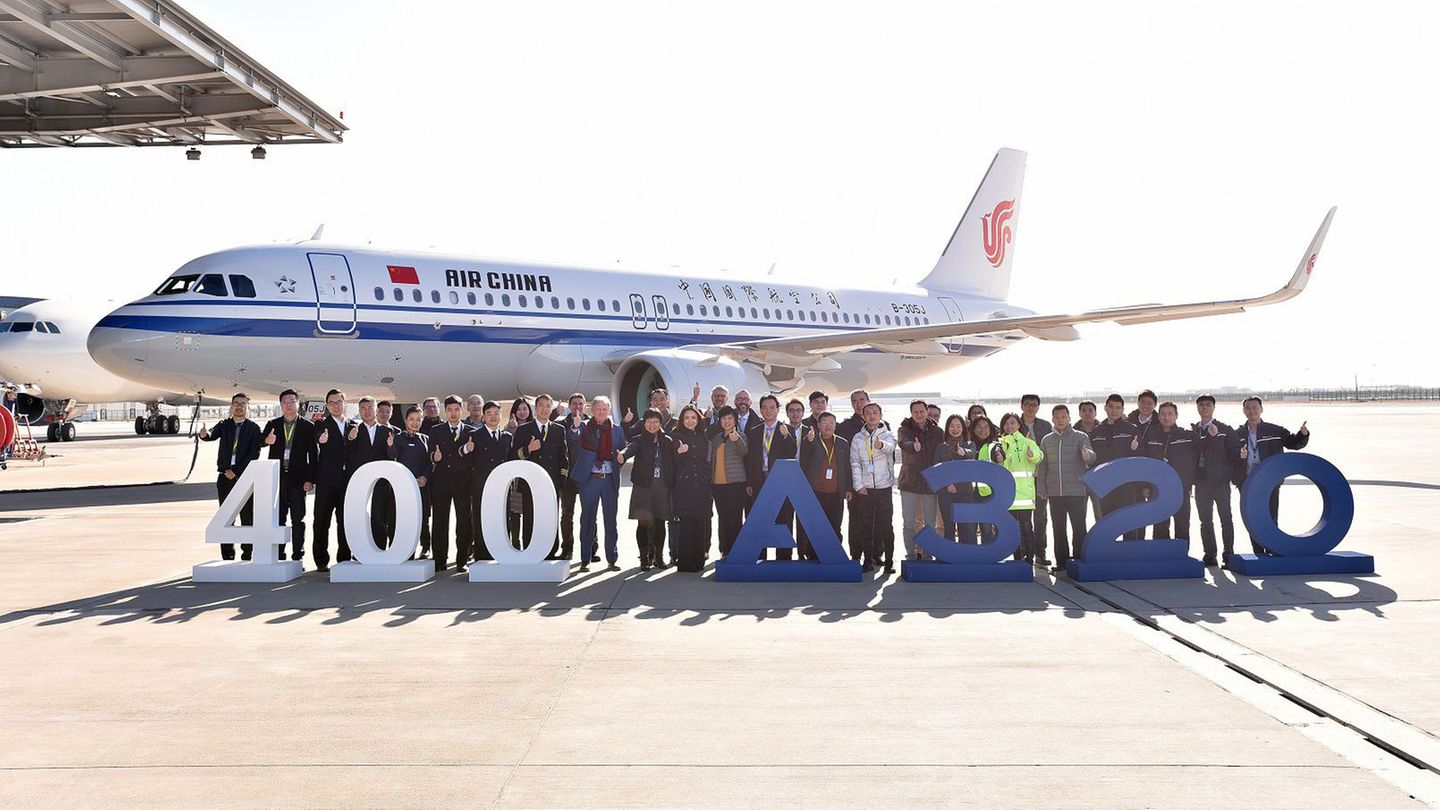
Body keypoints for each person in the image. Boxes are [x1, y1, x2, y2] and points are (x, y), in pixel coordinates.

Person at [1231, 396, 1310, 555]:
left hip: (1270, 480)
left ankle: (1272, 548)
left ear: (1261, 409)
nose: (1252, 410)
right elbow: (1230, 456)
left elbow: (1294, 443)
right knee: (1252, 517)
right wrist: (1239, 456)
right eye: (1248, 408)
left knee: (1271, 516)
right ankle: (1259, 552)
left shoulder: (1275, 430)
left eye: (1255, 407)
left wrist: (1303, 434)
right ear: (1243, 411)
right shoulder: (1237, 433)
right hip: (1247, 481)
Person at [198, 393, 263, 561]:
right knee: (226, 518)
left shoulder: (253, 428)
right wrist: (204, 435)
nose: (239, 406)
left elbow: (254, 454)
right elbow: (211, 434)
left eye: (243, 404)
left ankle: (247, 554)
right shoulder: (224, 425)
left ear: (248, 407)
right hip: (224, 477)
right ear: (231, 406)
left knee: (247, 517)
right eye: (236, 403)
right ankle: (227, 556)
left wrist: (237, 471)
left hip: (244, 477)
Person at [1035, 405, 1096, 573]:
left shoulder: (1080, 436)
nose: (1060, 420)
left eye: (1064, 417)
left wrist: (1087, 456)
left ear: (1069, 418)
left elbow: (1091, 456)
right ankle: (1061, 562)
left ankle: (1078, 559)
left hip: (1076, 491)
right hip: (1055, 492)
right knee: (1058, 528)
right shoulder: (1047, 440)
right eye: (1057, 417)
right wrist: (1042, 486)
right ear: (1053, 419)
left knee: (1079, 527)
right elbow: (1043, 466)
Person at [570, 395, 627, 572]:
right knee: (587, 519)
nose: (601, 412)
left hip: (609, 480)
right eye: (598, 409)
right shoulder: (585, 427)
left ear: (609, 410)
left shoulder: (616, 429)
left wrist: (622, 455)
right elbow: (573, 439)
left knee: (610, 520)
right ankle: (585, 559)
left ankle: (612, 558)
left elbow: (623, 449)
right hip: (590, 480)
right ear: (592, 411)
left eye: (604, 409)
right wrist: (575, 427)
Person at [261, 389, 316, 564]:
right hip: (278, 479)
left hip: (299, 480)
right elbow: (260, 442)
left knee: (298, 519)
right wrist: (265, 441)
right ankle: (279, 554)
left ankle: (297, 555)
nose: (289, 404)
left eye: (292, 401)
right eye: (285, 402)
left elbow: (313, 455)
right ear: (281, 405)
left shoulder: (308, 426)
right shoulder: (273, 424)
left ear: (298, 404)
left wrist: (310, 479)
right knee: (278, 519)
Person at [513, 393, 569, 559]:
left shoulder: (559, 430)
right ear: (535, 408)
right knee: (530, 516)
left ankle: (551, 550)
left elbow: (563, 457)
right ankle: (529, 549)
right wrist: (529, 449)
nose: (544, 409)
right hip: (529, 482)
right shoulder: (523, 430)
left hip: (551, 482)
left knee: (549, 517)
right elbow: (514, 456)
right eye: (541, 406)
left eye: (547, 406)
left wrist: (561, 480)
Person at [986, 414, 1046, 565]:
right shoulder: (999, 444)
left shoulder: (1028, 442)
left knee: (1027, 528)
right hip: (1008, 495)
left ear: (1019, 425)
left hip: (1025, 495)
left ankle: (1029, 559)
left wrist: (1032, 456)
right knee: (1012, 530)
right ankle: (1017, 558)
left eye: (1013, 423)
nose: (1009, 426)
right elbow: (994, 465)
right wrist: (998, 460)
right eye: (1006, 423)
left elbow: (1039, 457)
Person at [745, 394, 797, 560]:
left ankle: (784, 558)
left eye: (772, 407)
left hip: (780, 482)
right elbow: (750, 459)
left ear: (777, 409)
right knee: (760, 518)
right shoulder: (753, 432)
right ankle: (760, 557)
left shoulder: (787, 429)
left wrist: (785, 436)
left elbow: (792, 452)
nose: (768, 410)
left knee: (783, 518)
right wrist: (750, 482)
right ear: (760, 410)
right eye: (765, 407)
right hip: (759, 480)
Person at [426, 395, 475, 571]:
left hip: (463, 484)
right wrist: (434, 457)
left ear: (462, 410)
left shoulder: (471, 432)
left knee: (464, 523)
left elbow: (473, 459)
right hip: (441, 484)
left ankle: (462, 560)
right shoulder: (436, 430)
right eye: (449, 410)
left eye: (456, 409)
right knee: (439, 522)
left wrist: (467, 451)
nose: (453, 413)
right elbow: (431, 453)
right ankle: (439, 561)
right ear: (444, 411)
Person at [850, 402, 900, 574]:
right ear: (863, 416)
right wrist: (858, 485)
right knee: (866, 526)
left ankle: (888, 561)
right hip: (866, 489)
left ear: (880, 415)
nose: (871, 416)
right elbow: (855, 462)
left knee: (886, 526)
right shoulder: (858, 438)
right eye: (868, 413)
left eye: (875, 412)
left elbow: (891, 448)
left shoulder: (887, 434)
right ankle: (867, 560)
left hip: (884, 487)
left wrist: (881, 446)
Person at [625, 409, 676, 570]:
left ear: (660, 423)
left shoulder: (667, 440)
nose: (652, 425)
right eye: (649, 422)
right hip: (643, 486)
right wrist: (623, 455)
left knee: (660, 522)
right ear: (644, 423)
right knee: (644, 523)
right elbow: (630, 449)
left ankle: (658, 558)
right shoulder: (639, 440)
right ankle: (644, 559)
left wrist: (680, 452)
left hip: (661, 486)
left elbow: (675, 458)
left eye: (656, 422)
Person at [1192, 395, 1237, 567]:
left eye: (1208, 405)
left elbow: (1234, 452)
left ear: (1213, 407)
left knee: (1226, 519)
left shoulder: (1224, 429)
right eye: (1201, 405)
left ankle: (1229, 554)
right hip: (1201, 483)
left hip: (1220, 483)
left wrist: (1229, 475)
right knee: (1205, 520)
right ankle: (1210, 554)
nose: (1204, 408)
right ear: (1197, 408)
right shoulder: (1193, 430)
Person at [345, 396, 396, 547]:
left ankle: (380, 547)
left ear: (376, 410)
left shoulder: (387, 430)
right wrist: (350, 439)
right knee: (360, 515)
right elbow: (347, 453)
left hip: (381, 480)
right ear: (359, 411)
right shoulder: (353, 430)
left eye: (370, 408)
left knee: (379, 515)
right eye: (363, 408)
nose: (366, 411)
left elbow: (391, 455)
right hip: (360, 480)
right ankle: (360, 548)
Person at [897, 399, 944, 562]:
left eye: (921, 411)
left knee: (929, 523)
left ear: (926, 412)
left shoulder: (937, 431)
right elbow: (903, 442)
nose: (919, 414)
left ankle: (927, 554)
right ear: (911, 413)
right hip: (910, 482)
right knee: (909, 522)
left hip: (930, 482)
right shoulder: (904, 429)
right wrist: (913, 446)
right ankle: (910, 555)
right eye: (915, 412)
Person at [800, 411, 851, 559]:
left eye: (831, 422)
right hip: (816, 491)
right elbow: (804, 457)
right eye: (825, 422)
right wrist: (808, 441)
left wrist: (848, 488)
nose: (828, 425)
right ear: (818, 425)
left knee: (835, 525)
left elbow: (847, 467)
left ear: (835, 425)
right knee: (814, 525)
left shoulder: (842, 442)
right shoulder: (812, 440)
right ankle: (812, 555)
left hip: (836, 492)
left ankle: (834, 554)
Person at [1145, 402, 1197, 544]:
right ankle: (1161, 556)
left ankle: (1182, 556)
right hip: (1158, 488)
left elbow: (1201, 454)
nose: (1166, 417)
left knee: (1182, 524)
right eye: (1163, 414)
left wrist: (1190, 480)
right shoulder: (1151, 436)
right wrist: (1146, 486)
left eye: (1170, 414)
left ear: (1176, 416)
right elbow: (1145, 463)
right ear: (1158, 416)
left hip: (1181, 487)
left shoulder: (1188, 435)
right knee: (1160, 524)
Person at [311, 388, 352, 571]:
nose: (336, 406)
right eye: (331, 403)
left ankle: (344, 558)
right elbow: (317, 439)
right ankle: (321, 561)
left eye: (339, 402)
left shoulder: (353, 425)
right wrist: (321, 439)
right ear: (327, 405)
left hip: (346, 481)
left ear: (345, 403)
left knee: (345, 521)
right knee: (321, 521)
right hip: (327, 481)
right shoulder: (321, 424)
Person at [670, 405, 713, 571]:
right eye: (686, 418)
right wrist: (679, 452)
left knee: (700, 524)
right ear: (682, 420)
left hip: (701, 485)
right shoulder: (676, 436)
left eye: (693, 417)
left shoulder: (703, 437)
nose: (690, 421)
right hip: (685, 485)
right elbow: (673, 460)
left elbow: (707, 461)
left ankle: (698, 561)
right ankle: (686, 563)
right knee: (686, 525)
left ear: (698, 420)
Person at [1089, 394, 1139, 538]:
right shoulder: (1097, 431)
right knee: (1107, 520)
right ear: (1105, 408)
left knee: (1128, 520)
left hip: (1126, 484)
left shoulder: (1131, 429)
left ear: (1122, 409)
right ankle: (1109, 552)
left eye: (1118, 408)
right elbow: (1093, 459)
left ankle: (1129, 553)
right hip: (1106, 484)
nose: (1114, 410)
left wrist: (1136, 449)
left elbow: (1140, 457)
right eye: (1111, 407)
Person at [468, 400, 512, 564]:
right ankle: (482, 556)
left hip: (503, 487)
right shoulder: (475, 436)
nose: (493, 417)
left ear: (501, 415)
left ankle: (502, 554)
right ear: (484, 417)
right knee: (481, 521)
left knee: (502, 519)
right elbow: (467, 459)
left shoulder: (507, 437)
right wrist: (467, 450)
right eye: (489, 414)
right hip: (481, 486)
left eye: (496, 413)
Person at [388, 406, 433, 557]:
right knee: (403, 518)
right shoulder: (398, 437)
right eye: (411, 419)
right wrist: (390, 445)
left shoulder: (425, 439)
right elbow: (392, 456)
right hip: (403, 487)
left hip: (421, 485)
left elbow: (430, 463)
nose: (415, 422)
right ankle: (404, 550)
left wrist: (425, 477)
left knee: (423, 518)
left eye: (418, 419)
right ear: (406, 420)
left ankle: (425, 548)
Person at [708, 405, 749, 558]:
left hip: (735, 484)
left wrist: (737, 440)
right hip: (718, 485)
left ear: (735, 420)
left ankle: (736, 550)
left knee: (735, 518)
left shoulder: (741, 435)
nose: (727, 421)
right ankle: (724, 550)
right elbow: (711, 461)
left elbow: (744, 452)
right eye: (724, 418)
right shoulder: (716, 439)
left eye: (730, 418)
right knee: (723, 518)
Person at [1018, 394, 1053, 562]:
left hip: (1040, 478)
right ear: (1022, 406)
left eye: (1034, 404)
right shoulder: (1014, 424)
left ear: (1038, 407)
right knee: (1023, 519)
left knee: (1040, 517)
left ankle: (1040, 553)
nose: (1030, 407)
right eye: (1027, 404)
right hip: (1021, 481)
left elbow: (1049, 453)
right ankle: (1025, 552)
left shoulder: (1045, 425)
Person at [934, 414, 977, 544]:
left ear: (963, 428)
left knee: (966, 527)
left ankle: (965, 558)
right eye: (952, 426)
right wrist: (947, 484)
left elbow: (972, 455)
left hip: (965, 492)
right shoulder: (941, 447)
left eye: (958, 426)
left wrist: (963, 452)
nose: (955, 429)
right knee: (948, 527)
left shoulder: (970, 444)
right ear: (947, 428)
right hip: (946, 493)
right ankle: (949, 558)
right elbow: (936, 469)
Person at [558, 393, 587, 559]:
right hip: (568, 478)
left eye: (580, 404)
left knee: (588, 514)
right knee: (567, 514)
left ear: (585, 406)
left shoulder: (591, 423)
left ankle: (591, 548)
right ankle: (567, 548)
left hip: (586, 476)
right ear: (570, 406)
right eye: (574, 404)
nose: (577, 407)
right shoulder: (561, 424)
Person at [506, 397, 536, 549]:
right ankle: (515, 544)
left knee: (531, 512)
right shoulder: (509, 427)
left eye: (525, 408)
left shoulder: (535, 426)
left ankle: (529, 544)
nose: (522, 412)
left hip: (532, 475)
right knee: (515, 511)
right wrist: (512, 429)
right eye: (519, 409)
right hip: (516, 477)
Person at [967, 416, 1002, 544]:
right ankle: (972, 560)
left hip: (988, 494)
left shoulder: (995, 446)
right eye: (979, 427)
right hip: (968, 493)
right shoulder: (967, 445)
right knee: (969, 529)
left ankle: (988, 559)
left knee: (987, 529)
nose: (983, 430)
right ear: (973, 429)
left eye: (986, 427)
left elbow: (1001, 458)